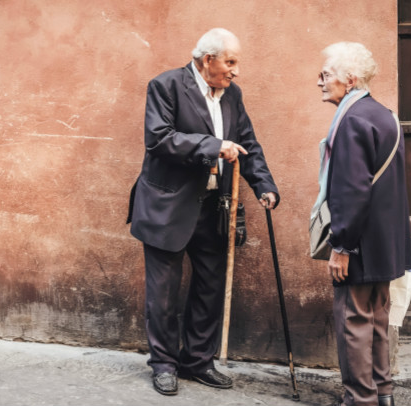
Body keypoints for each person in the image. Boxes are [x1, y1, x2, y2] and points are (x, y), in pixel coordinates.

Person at [126, 28, 279, 396]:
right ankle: (164, 364)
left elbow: (247, 144)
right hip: (167, 207)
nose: (235, 71)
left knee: (210, 288)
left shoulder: (233, 95)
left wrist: (264, 186)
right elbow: (160, 139)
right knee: (162, 294)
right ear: (207, 59)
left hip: (214, 208)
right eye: (230, 62)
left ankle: (197, 360)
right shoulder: (165, 86)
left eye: (236, 62)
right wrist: (213, 146)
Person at [313, 42, 411, 406]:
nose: (320, 81)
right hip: (384, 243)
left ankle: (360, 399)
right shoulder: (383, 114)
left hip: (359, 244)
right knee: (377, 321)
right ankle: (383, 393)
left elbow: (352, 191)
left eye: (326, 74)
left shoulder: (352, 119)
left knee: (354, 321)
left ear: (350, 79)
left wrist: (341, 247)